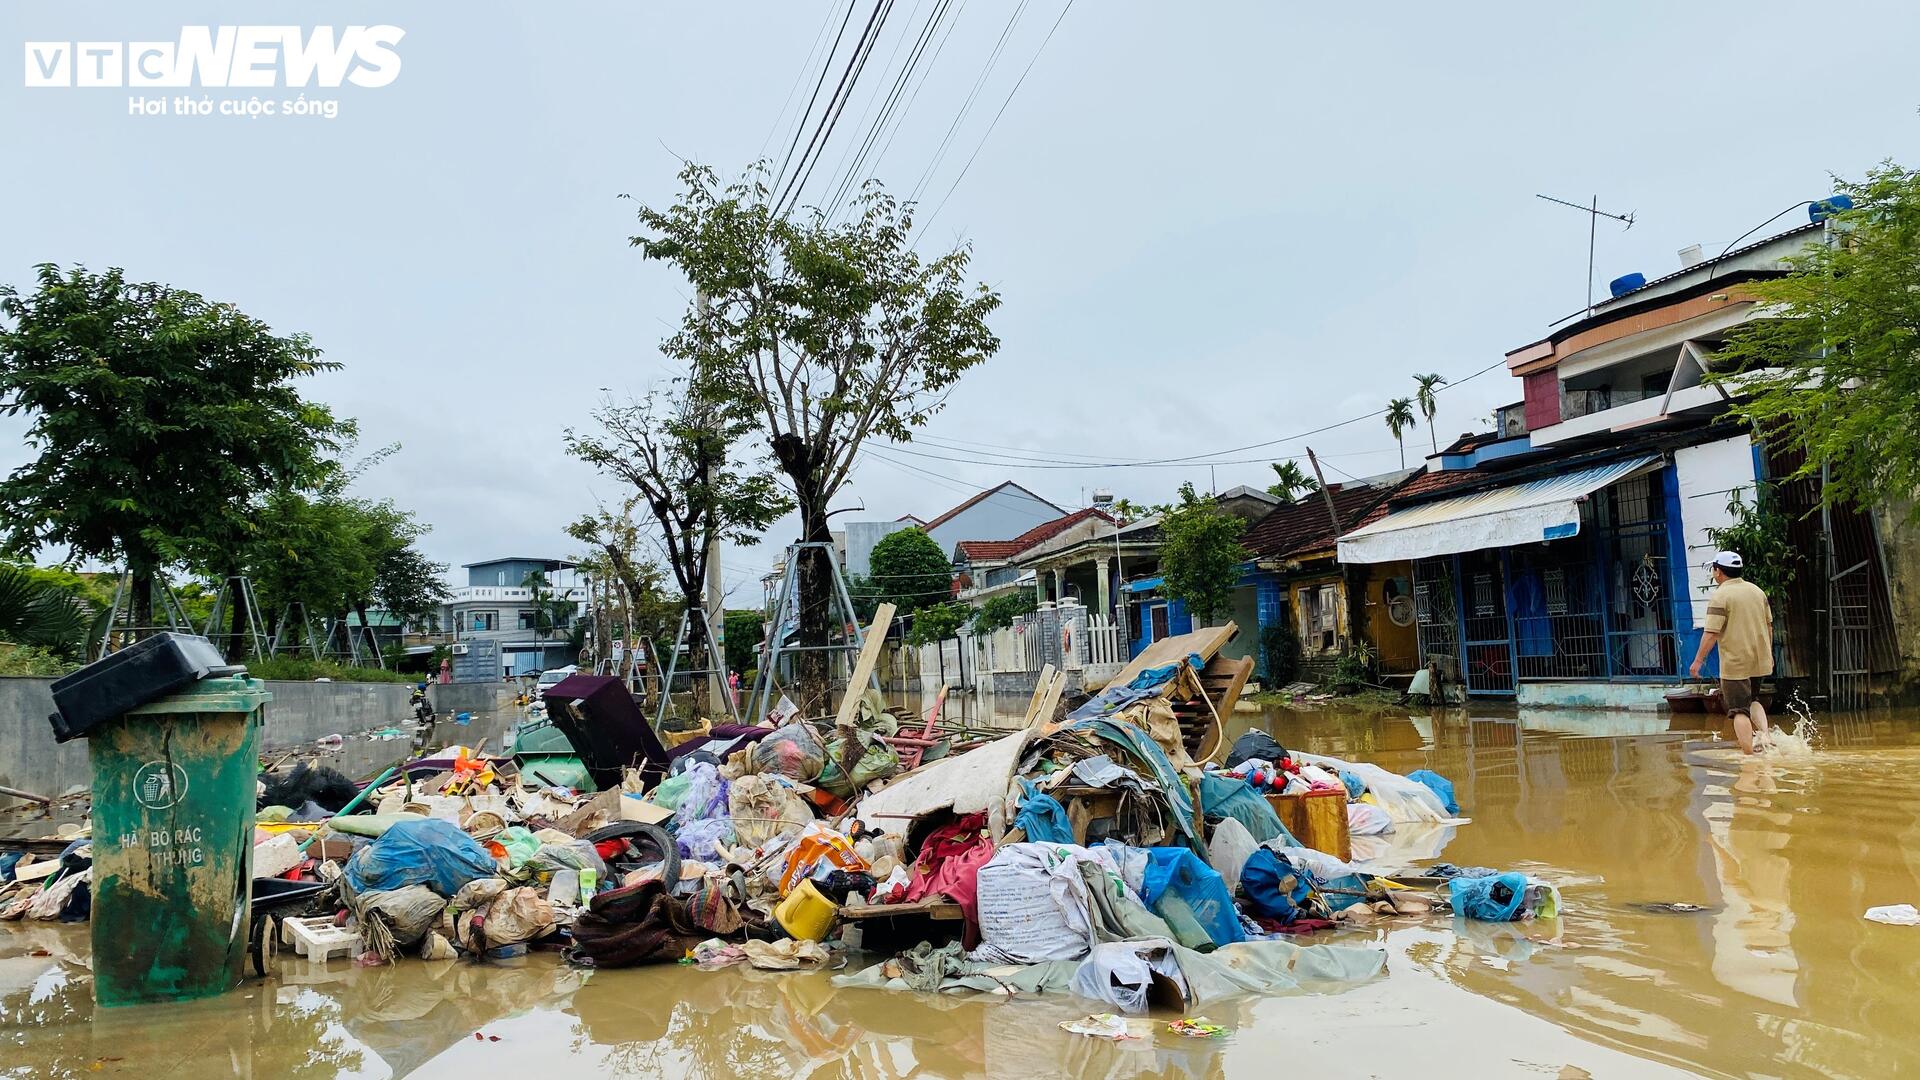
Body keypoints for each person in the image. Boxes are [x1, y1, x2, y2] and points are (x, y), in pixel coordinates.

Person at [1689, 550, 1774, 754]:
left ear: (1718, 571)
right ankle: (1766, 738)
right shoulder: (1757, 592)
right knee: (1753, 700)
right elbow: (1769, 626)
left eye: (1713, 569)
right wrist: (1768, 654)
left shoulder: (1720, 596)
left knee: (1738, 710)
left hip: (1736, 663)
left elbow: (1711, 632)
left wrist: (1698, 661)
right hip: (1759, 660)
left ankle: (1749, 756)